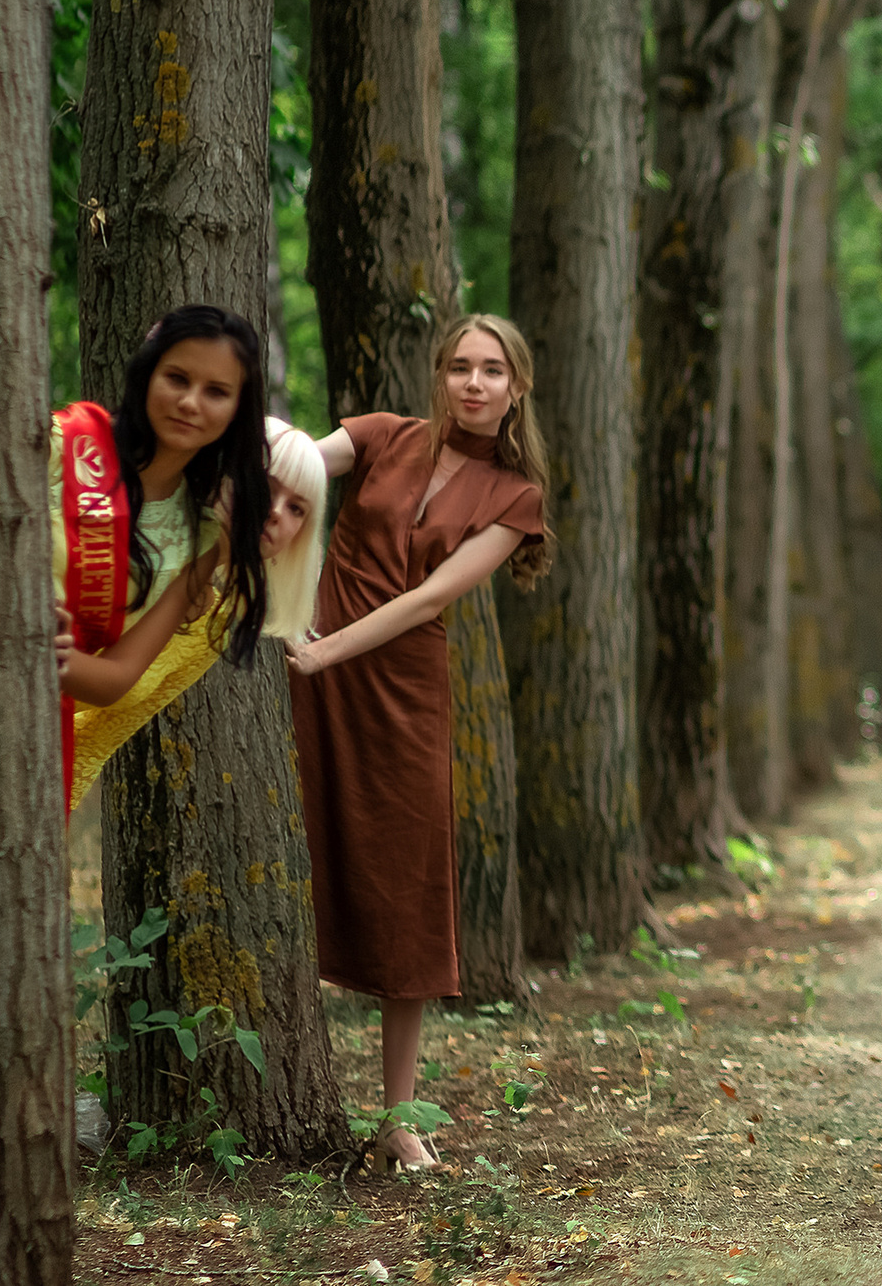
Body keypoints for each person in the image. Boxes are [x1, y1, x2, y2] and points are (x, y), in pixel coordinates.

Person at [287, 313, 549, 1171]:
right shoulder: (382, 436)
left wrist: (328, 648)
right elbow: (292, 463)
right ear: (439, 375)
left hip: (399, 690)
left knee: (406, 887)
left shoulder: (515, 494)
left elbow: (430, 597)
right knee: (296, 856)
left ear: (517, 387)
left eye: (493, 371)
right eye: (461, 368)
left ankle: (397, 1114)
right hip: (308, 665)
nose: (475, 384)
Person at [53, 306, 275, 816]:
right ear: (147, 373)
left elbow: (116, 680)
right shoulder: (65, 441)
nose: (190, 402)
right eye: (176, 378)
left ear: (239, 409)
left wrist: (47, 651)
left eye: (216, 392)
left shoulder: (197, 540)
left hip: (36, 730)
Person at [61, 416, 331, 818]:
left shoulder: (218, 621)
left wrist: (46, 834)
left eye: (296, 508)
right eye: (266, 486)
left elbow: (96, 739)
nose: (274, 512)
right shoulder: (133, 521)